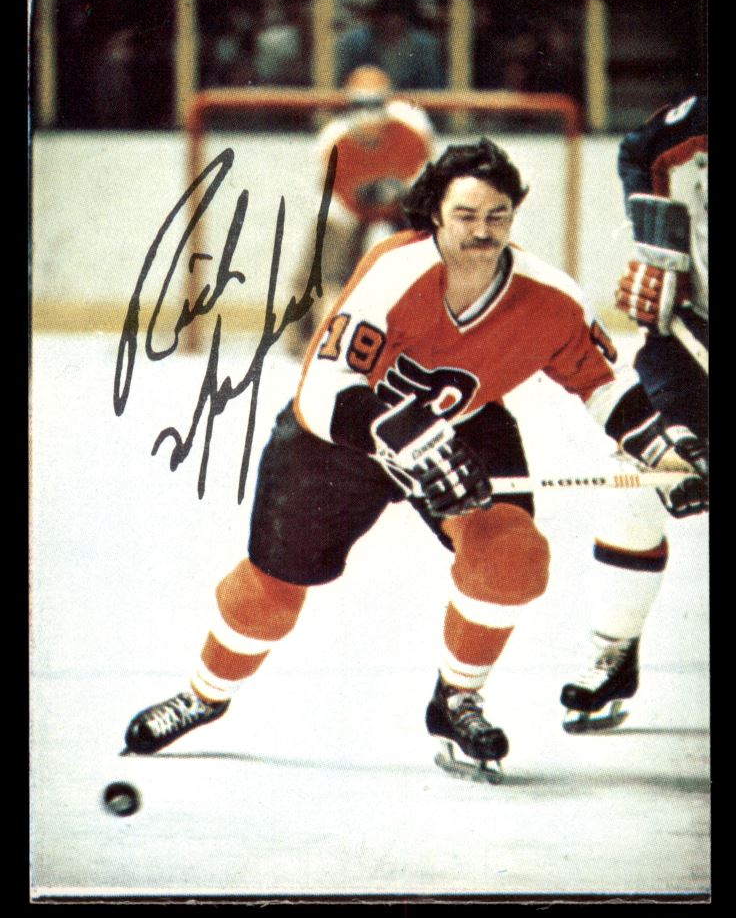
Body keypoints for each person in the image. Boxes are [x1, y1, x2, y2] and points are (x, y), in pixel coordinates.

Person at [124, 138, 708, 780]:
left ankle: (456, 700)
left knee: (511, 557)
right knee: (269, 593)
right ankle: (204, 694)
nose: (482, 231)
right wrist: (399, 433)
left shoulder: (548, 296)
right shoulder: (395, 269)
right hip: (339, 440)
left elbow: (602, 382)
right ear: (435, 213)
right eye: (466, 215)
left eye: (497, 216)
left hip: (462, 427)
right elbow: (321, 389)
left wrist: (662, 447)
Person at [560, 94, 708, 733]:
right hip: (691, 342)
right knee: (638, 474)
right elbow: (639, 152)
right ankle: (614, 649)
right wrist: (656, 250)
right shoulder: (688, 126)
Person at [288, 64, 436, 354]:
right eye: (360, 105)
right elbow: (335, 201)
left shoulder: (414, 129)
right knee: (321, 263)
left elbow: (427, 183)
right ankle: (309, 338)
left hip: (403, 206)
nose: (368, 115)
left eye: (375, 104)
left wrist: (400, 197)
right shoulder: (334, 140)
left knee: (433, 252)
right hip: (349, 209)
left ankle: (436, 331)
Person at [335, 0, 445, 91]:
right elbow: (342, 84)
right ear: (375, 19)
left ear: (405, 19)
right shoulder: (355, 43)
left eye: (396, 16)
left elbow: (434, 87)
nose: (390, 22)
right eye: (385, 17)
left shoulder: (424, 46)